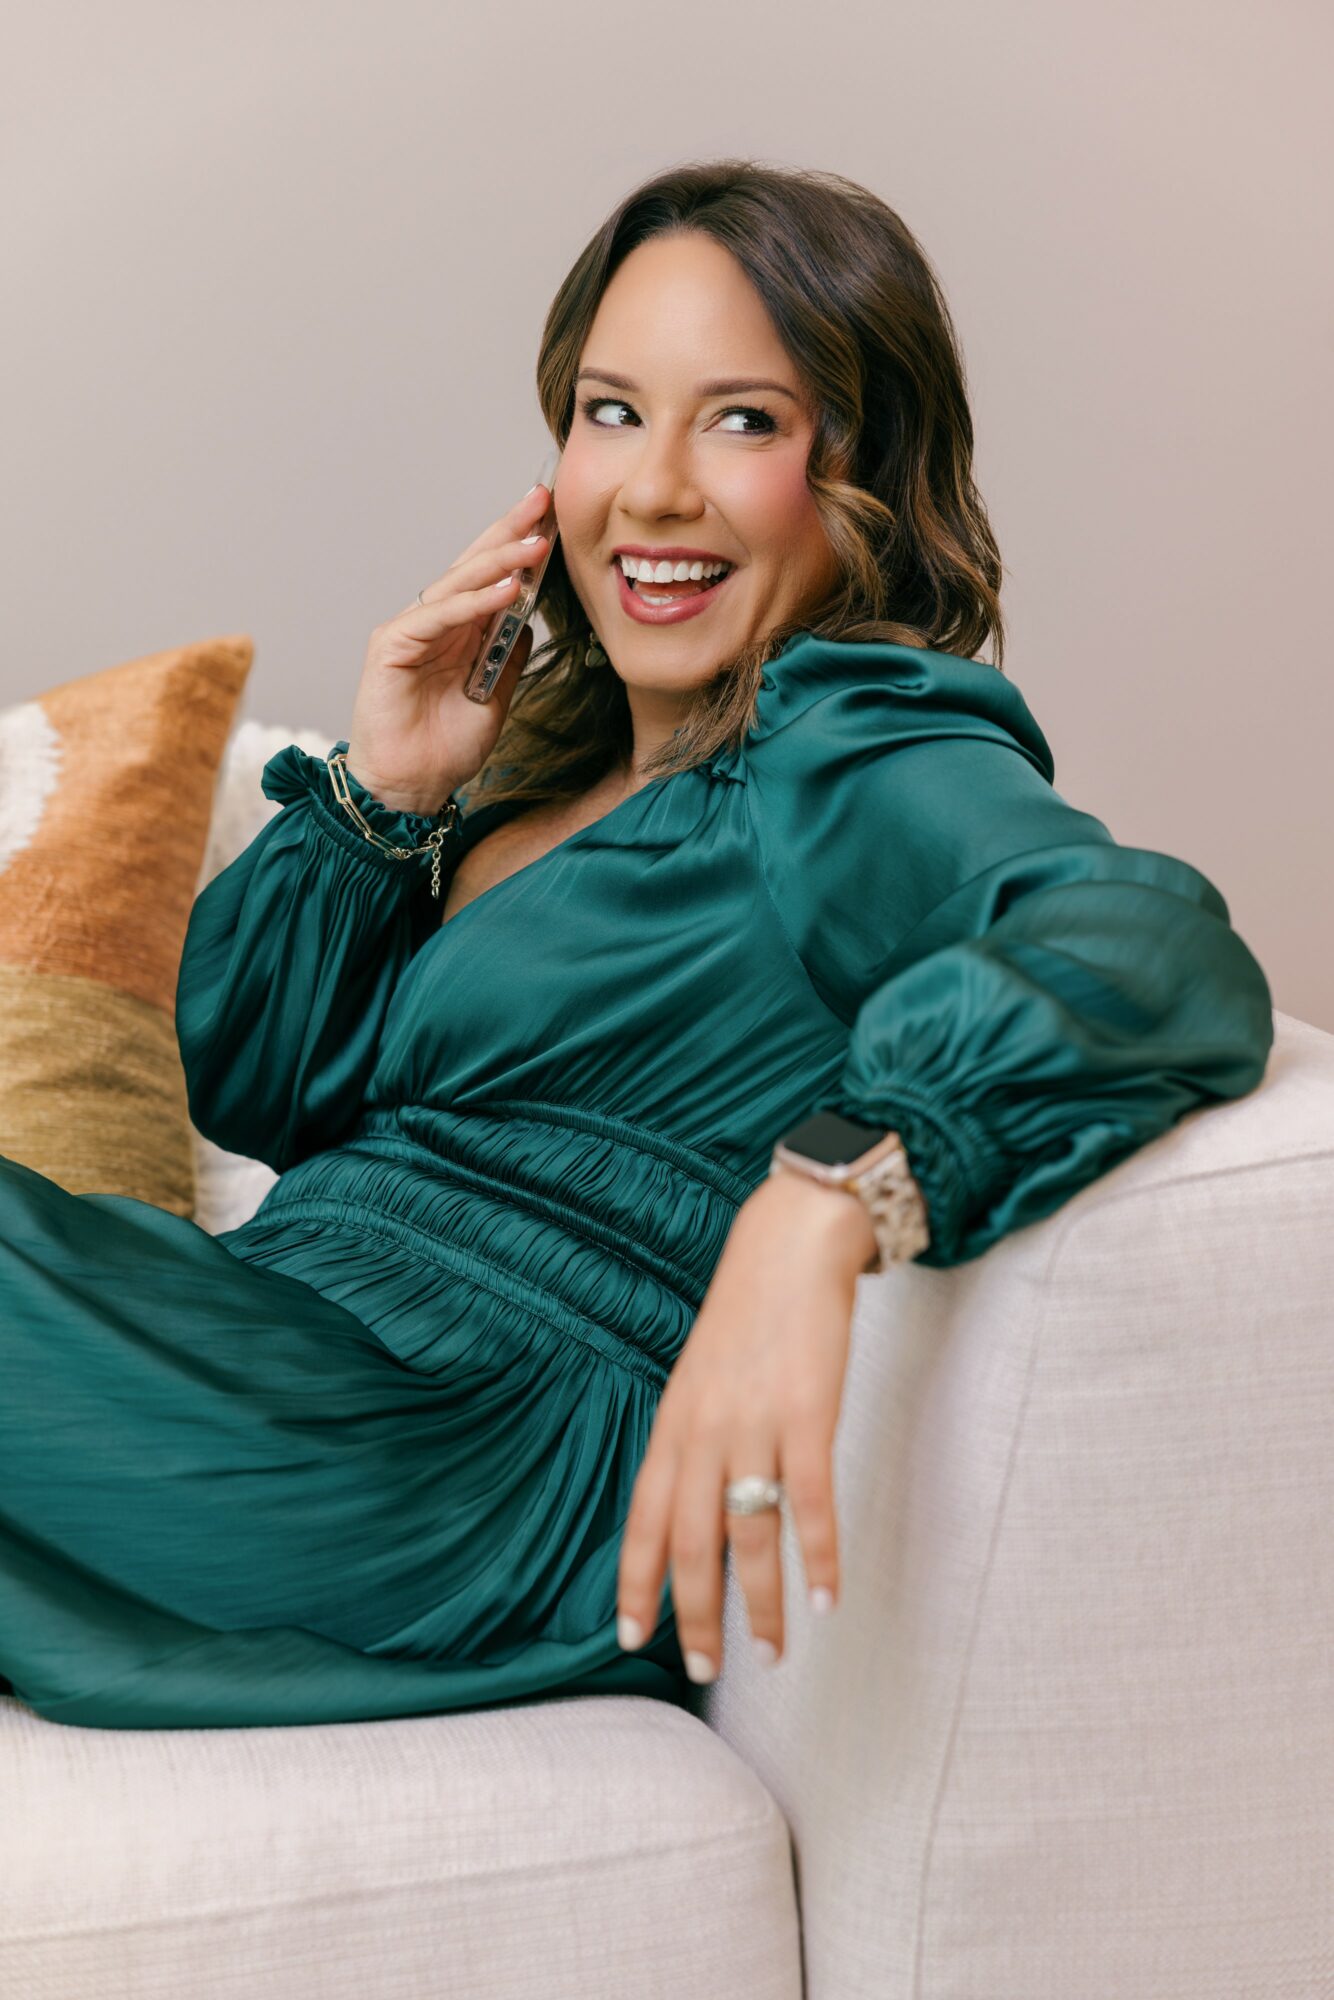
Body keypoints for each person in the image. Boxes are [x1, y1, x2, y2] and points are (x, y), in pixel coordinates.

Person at [0, 160, 1273, 1729]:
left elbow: (1141, 940)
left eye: (741, 420)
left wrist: (821, 1206)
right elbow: (253, 1078)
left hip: (471, 1457)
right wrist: (392, 788)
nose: (653, 488)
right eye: (611, 410)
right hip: (282, 1341)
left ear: (857, 466)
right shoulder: (543, 762)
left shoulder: (853, 743)